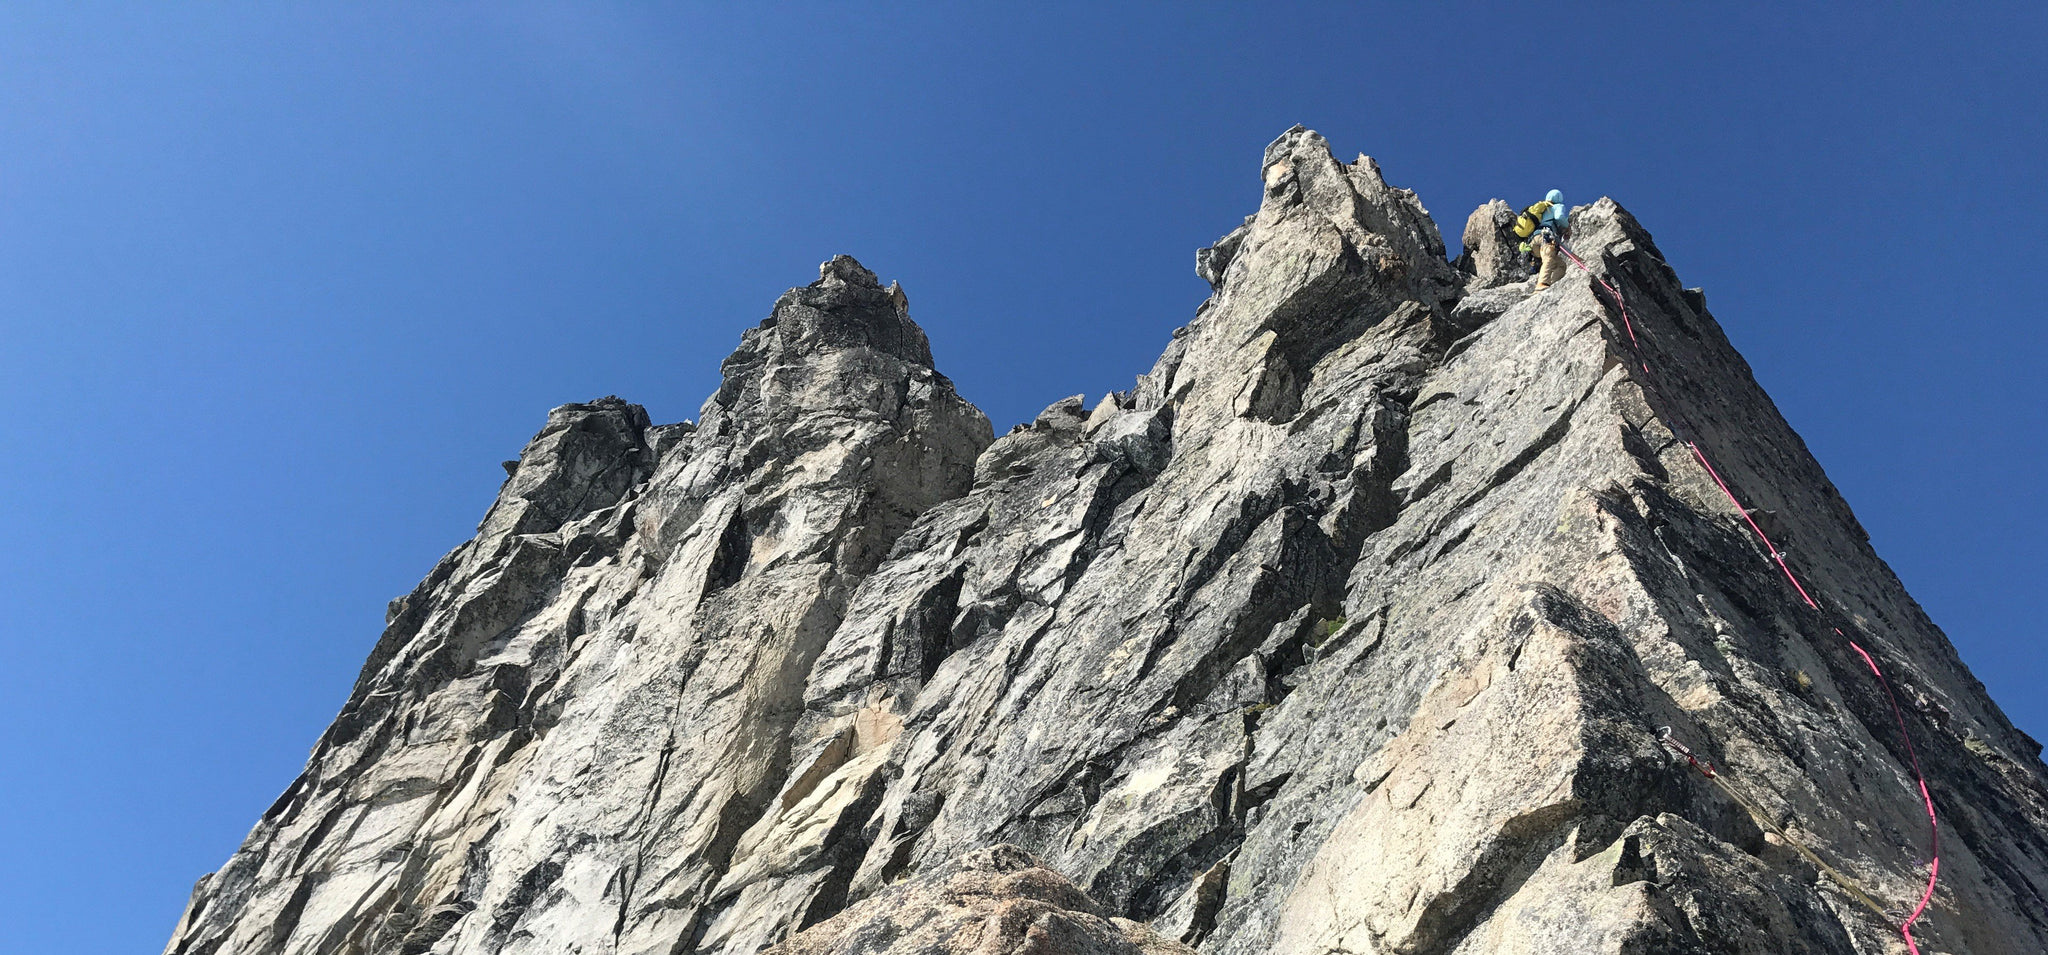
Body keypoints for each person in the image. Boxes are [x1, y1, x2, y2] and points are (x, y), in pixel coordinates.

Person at [1513, 189, 1569, 290]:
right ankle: (1542, 284)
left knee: (1561, 265)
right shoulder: (1556, 206)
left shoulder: (1542, 210)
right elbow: (1559, 217)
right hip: (1545, 237)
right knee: (1548, 258)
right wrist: (1567, 226)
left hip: (1533, 241)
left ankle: (1552, 285)